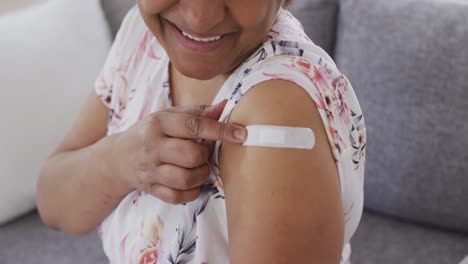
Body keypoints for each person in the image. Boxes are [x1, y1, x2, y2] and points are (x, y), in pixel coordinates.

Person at [37, 0, 366, 263]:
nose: (199, 16)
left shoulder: (277, 107)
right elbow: (54, 204)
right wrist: (121, 159)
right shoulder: (144, 35)